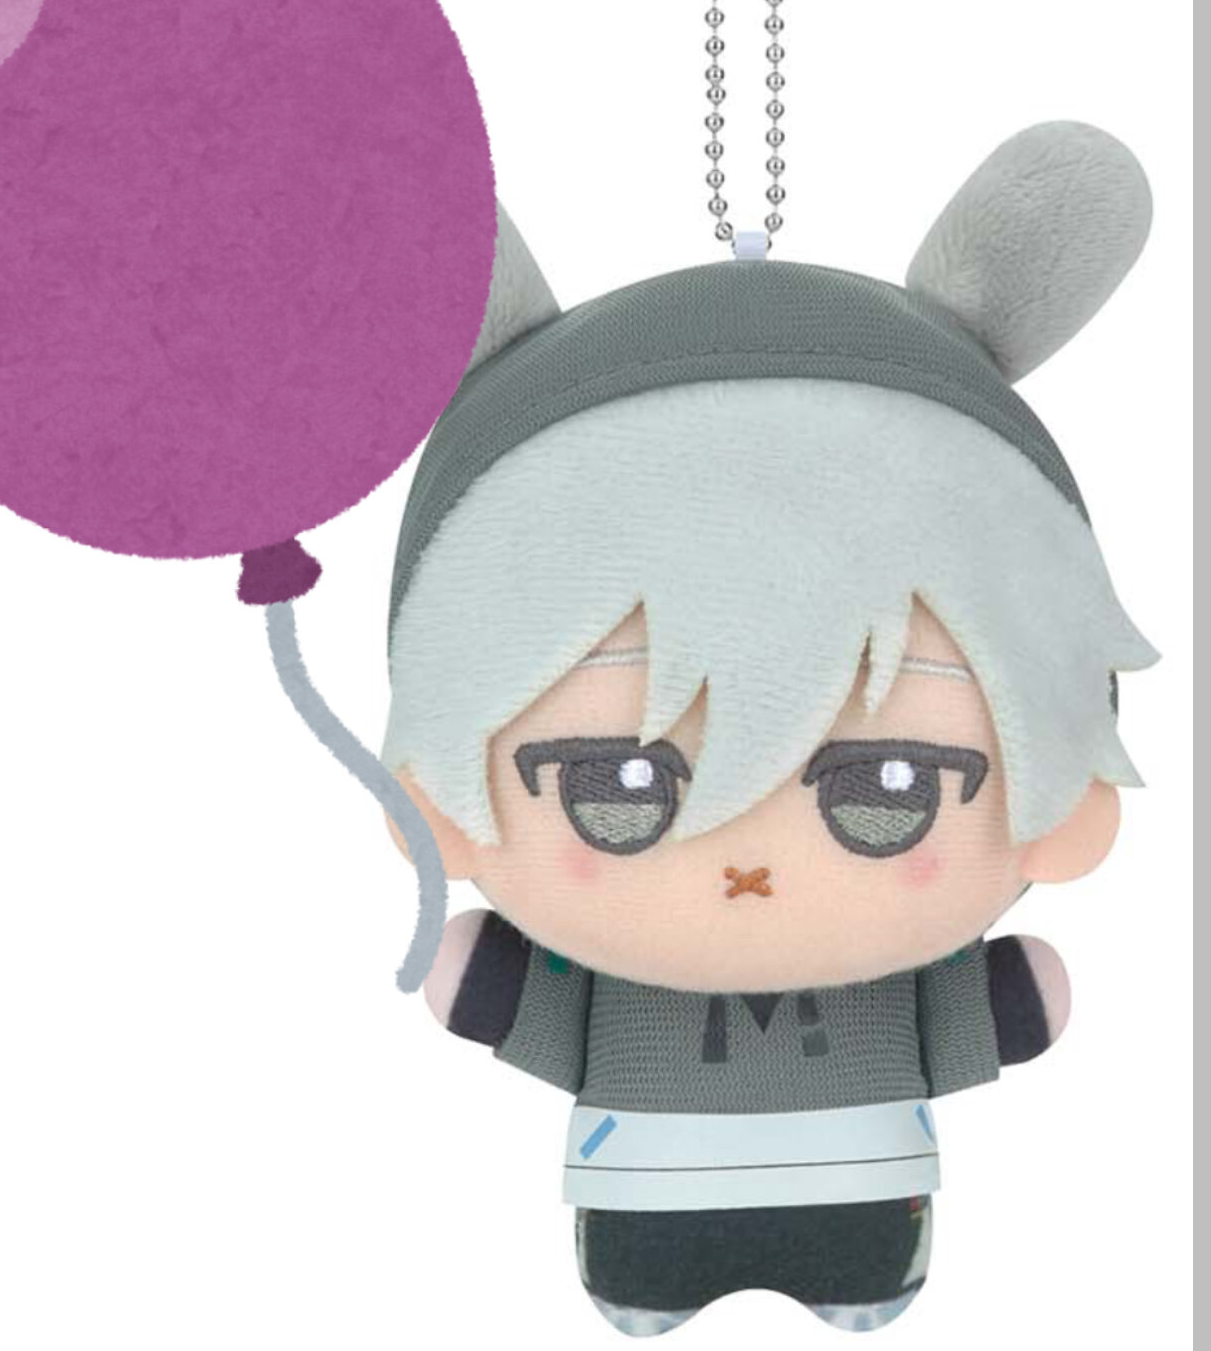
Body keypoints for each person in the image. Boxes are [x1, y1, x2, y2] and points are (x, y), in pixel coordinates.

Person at [381, 124, 1155, 1333]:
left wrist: (998, 1009)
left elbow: (992, 1011)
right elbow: (518, 1002)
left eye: (887, 787)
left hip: (858, 1196)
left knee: (853, 1261)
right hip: (642, 1195)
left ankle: (846, 1281)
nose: (744, 866)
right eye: (615, 788)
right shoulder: (625, 1002)